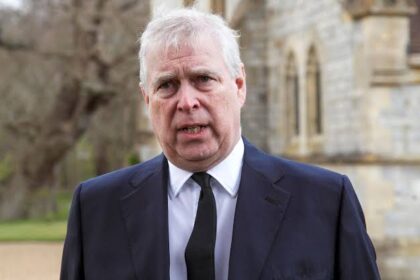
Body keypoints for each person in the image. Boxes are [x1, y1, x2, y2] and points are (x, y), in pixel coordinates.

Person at [60, 8, 381, 280]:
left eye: (203, 79)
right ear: (147, 100)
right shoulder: (96, 209)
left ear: (239, 86)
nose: (187, 102)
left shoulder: (325, 201)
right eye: (167, 85)